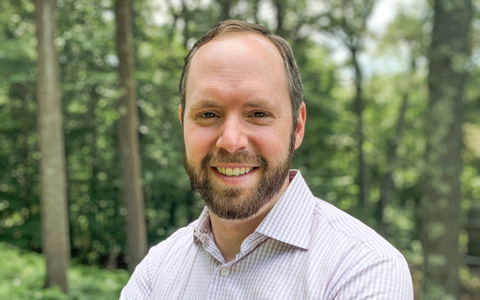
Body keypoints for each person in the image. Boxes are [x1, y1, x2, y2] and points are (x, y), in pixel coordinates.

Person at [120, 20, 414, 299]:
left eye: (258, 114)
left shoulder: (364, 269)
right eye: (209, 114)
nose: (232, 141)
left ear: (297, 127)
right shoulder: (156, 271)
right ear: (183, 122)